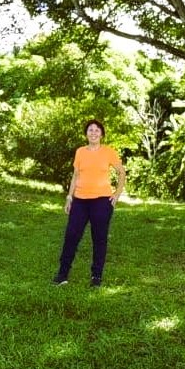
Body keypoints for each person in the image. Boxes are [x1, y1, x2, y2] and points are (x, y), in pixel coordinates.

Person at [52, 119, 126, 287]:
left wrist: (117, 194)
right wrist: (69, 197)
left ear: (101, 134)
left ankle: (96, 277)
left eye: (97, 130)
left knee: (99, 239)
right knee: (71, 236)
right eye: (90, 130)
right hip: (79, 201)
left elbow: (121, 173)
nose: (93, 132)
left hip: (101, 201)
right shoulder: (80, 152)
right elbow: (75, 176)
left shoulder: (109, 152)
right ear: (86, 134)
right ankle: (62, 274)